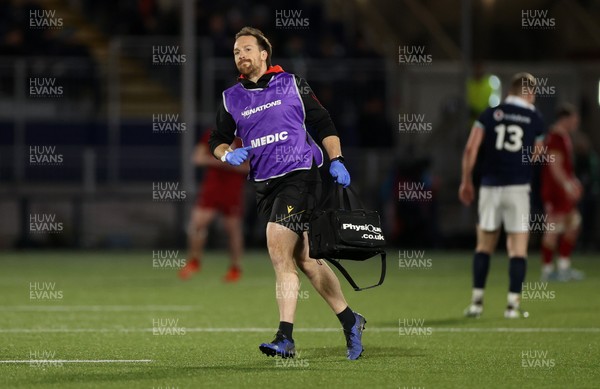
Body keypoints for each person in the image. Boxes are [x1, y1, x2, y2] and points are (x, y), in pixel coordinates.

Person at [208, 26, 365, 360]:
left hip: (300, 175)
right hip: (265, 185)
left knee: (278, 246)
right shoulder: (230, 98)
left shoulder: (292, 83)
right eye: (236, 51)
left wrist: (336, 159)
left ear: (264, 54)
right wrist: (225, 153)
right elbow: (216, 140)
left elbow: (323, 123)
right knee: (307, 260)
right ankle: (352, 321)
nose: (241, 55)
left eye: (247, 49)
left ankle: (285, 337)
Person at [459, 72, 545, 319]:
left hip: (489, 187)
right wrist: (521, 165)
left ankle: (476, 303)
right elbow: (537, 153)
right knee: (517, 249)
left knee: (484, 246)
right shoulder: (534, 118)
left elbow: (470, 148)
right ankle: (512, 306)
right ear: (528, 92)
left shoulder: (490, 114)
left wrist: (466, 181)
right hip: (517, 188)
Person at [178, 130, 248, 282]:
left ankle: (235, 268)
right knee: (197, 224)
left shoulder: (246, 137)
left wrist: (232, 165)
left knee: (233, 230)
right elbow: (197, 158)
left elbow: (249, 168)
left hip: (233, 188)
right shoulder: (213, 134)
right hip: (212, 187)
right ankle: (194, 260)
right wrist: (225, 159)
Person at [540, 104, 584, 281]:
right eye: (574, 119)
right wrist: (568, 186)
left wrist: (573, 181)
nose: (576, 122)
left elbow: (564, 166)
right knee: (553, 228)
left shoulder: (563, 137)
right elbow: (555, 166)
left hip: (561, 190)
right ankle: (548, 270)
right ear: (565, 119)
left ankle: (564, 267)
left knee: (572, 225)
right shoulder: (555, 137)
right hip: (555, 191)